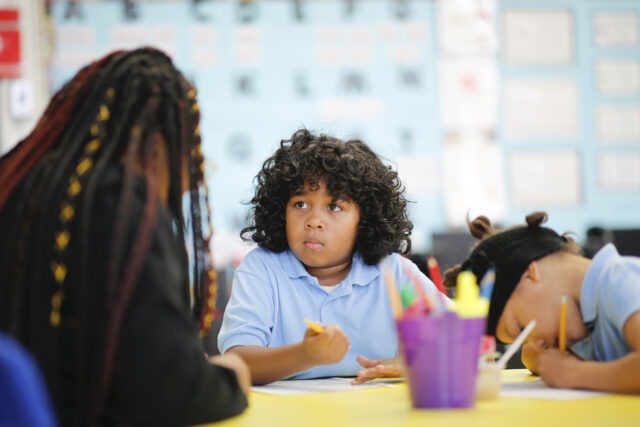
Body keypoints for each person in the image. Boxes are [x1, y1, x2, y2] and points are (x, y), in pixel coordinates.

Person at [0, 48, 250, 426]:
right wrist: (233, 375)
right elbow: (171, 393)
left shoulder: (17, 182)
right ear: (162, 142)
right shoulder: (119, 202)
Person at [217, 128, 443, 385]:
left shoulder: (395, 272)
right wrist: (305, 354)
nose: (314, 221)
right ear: (281, 211)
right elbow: (237, 361)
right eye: (300, 204)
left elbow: (460, 340)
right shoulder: (261, 268)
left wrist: (414, 362)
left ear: (364, 219)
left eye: (334, 207)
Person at [443, 211, 640, 394]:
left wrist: (574, 373)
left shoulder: (619, 279)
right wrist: (541, 358)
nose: (536, 342)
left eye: (522, 329)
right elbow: (532, 356)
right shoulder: (582, 324)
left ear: (531, 274)